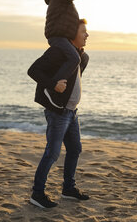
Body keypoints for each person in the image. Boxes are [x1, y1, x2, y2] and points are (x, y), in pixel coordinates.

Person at [28, 19, 90, 209]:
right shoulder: (57, 52)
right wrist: (53, 85)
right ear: (72, 34)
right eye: (84, 32)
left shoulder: (82, 57)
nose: (87, 35)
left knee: (75, 149)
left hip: (72, 112)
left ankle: (68, 189)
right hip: (58, 112)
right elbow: (33, 70)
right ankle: (37, 194)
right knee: (53, 153)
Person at [44, 0, 118, 108]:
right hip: (57, 37)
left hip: (64, 38)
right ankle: (53, 88)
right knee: (74, 59)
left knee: (83, 58)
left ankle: (70, 85)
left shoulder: (64, 1)